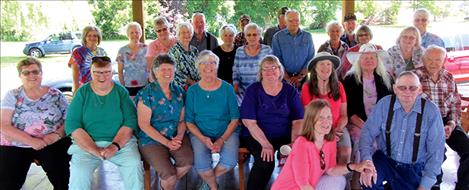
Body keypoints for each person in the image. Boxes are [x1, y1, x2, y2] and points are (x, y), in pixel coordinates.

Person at [65, 56, 143, 190]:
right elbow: (73, 124)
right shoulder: (82, 93)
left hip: (120, 144)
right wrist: (93, 149)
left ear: (112, 73)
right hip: (87, 145)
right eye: (98, 72)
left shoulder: (120, 92)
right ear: (91, 72)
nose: (103, 76)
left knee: (133, 165)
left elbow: (130, 120)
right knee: (79, 173)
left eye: (107, 72)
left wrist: (115, 146)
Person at [359, 71, 445, 190]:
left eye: (412, 88)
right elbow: (366, 134)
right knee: (368, 181)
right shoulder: (385, 104)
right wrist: (367, 163)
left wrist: (425, 186)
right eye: (402, 87)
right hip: (385, 160)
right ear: (395, 89)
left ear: (420, 89)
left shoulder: (431, 111)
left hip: (413, 167)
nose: (407, 92)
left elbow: (436, 152)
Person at [0, 57, 71, 190]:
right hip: (16, 143)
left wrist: (56, 135)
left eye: (35, 72)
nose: (31, 75)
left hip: (50, 141)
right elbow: (3, 125)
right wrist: (32, 141)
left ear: (41, 74)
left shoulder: (55, 94)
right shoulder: (12, 95)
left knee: (60, 176)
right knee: (7, 183)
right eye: (26, 73)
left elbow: (69, 120)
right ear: (20, 76)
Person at [271, 100, 375, 190]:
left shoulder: (330, 141)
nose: (326, 122)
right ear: (311, 120)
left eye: (329, 117)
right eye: (321, 117)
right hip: (292, 188)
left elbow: (331, 170)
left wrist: (355, 167)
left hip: (309, 186)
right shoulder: (302, 144)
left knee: (338, 180)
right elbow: (304, 186)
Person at [240, 55, 304, 190]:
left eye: (274, 68)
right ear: (261, 73)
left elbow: (298, 120)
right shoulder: (253, 90)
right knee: (265, 162)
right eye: (265, 69)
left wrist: (293, 142)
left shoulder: (290, 90)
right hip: (256, 134)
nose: (270, 71)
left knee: (296, 157)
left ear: (280, 71)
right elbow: (249, 122)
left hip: (284, 134)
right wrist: (266, 144)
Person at [414, 45, 469, 190]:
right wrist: (434, 128)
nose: (433, 63)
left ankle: (463, 186)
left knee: (467, 148)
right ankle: (433, 185)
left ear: (443, 60)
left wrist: (451, 125)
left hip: (446, 121)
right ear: (423, 60)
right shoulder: (414, 77)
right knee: (436, 153)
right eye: (430, 59)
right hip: (423, 123)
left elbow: (455, 105)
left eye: (437, 60)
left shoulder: (448, 77)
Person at [135, 54, 193, 190]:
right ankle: (167, 181)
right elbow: (144, 125)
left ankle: (166, 184)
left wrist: (179, 137)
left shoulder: (179, 91)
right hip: (151, 139)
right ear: (155, 71)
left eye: (171, 70)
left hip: (174, 135)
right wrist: (167, 142)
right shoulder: (146, 93)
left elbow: (182, 120)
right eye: (163, 69)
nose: (168, 73)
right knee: (169, 175)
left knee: (187, 162)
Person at [185, 50, 240, 190]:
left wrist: (221, 140)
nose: (208, 66)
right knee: (202, 165)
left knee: (229, 161)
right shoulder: (192, 91)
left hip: (226, 131)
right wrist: (203, 139)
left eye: (213, 62)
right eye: (204, 62)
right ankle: (214, 186)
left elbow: (235, 118)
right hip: (200, 132)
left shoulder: (227, 88)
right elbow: (189, 121)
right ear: (198, 67)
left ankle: (209, 182)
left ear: (217, 66)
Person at [342, 44, 393, 189]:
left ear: (377, 60)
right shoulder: (350, 80)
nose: (369, 60)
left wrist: (380, 127)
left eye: (372, 57)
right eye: (365, 58)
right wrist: (369, 128)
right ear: (359, 60)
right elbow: (349, 111)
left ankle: (378, 178)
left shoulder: (386, 78)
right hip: (358, 124)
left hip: (382, 125)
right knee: (364, 143)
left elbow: (391, 105)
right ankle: (357, 182)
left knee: (389, 143)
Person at [301, 52, 351, 165]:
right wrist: (326, 131)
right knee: (322, 155)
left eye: (329, 64)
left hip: (338, 128)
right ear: (315, 68)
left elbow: (344, 115)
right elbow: (308, 117)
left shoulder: (339, 86)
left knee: (345, 152)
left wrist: (337, 129)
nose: (326, 67)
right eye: (322, 64)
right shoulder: (307, 87)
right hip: (316, 129)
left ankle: (342, 180)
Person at [272, 9, 314, 89]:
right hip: (284, 77)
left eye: (297, 20)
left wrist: (300, 77)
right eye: (291, 21)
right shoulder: (277, 37)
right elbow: (277, 59)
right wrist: (287, 78)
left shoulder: (307, 36)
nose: (294, 23)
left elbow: (310, 57)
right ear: (285, 22)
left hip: (303, 78)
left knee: (302, 100)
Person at [233, 23, 272, 105]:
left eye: (254, 34)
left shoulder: (267, 50)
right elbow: (236, 72)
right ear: (245, 36)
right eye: (248, 35)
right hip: (243, 94)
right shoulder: (239, 51)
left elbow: (272, 71)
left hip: (263, 92)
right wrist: (235, 91)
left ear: (259, 35)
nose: (252, 37)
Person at [68, 25, 107, 93]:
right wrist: (76, 90)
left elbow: (106, 69)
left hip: (100, 87)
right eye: (89, 35)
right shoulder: (78, 52)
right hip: (84, 88)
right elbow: (75, 73)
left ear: (98, 38)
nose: (92, 38)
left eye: (95, 36)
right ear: (85, 37)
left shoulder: (102, 51)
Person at [116, 22, 148, 97]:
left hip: (145, 85)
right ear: (128, 34)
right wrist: (123, 88)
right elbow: (120, 72)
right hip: (128, 87)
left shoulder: (147, 48)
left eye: (137, 32)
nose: (134, 35)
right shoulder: (122, 51)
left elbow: (150, 68)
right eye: (132, 33)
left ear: (140, 33)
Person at [169, 22, 200, 89]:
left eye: (188, 32)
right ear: (178, 35)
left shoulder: (194, 50)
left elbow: (199, 67)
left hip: (196, 86)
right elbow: (175, 72)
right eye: (183, 32)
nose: (186, 34)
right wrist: (192, 82)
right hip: (180, 88)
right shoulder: (173, 51)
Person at [146, 16, 177, 80]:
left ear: (168, 28)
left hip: (177, 79)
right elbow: (150, 68)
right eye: (159, 31)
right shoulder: (152, 46)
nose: (162, 32)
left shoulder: (177, 41)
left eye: (164, 29)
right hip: (159, 80)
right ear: (155, 32)